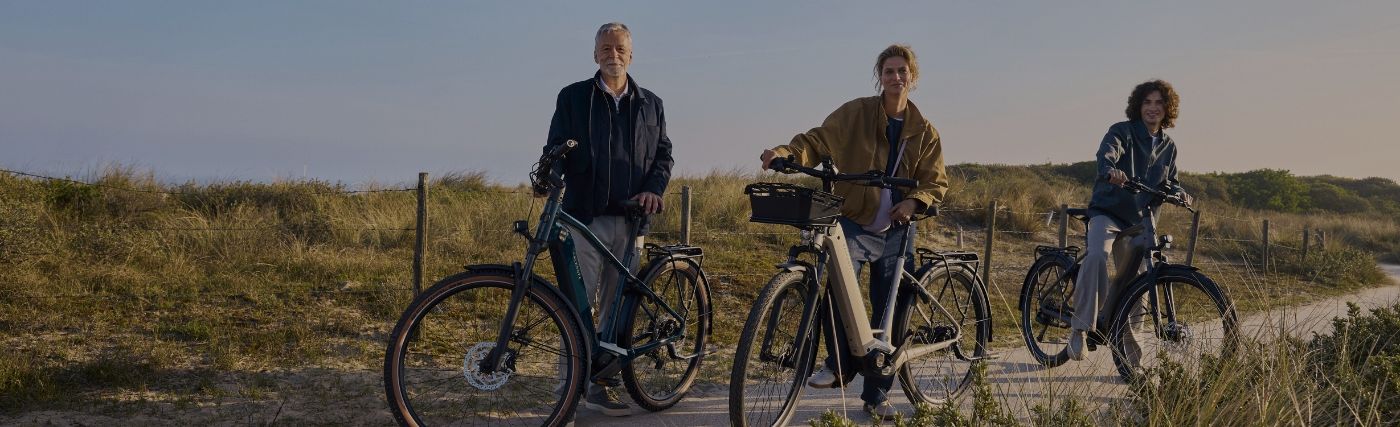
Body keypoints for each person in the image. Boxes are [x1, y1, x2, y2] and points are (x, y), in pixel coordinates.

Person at [759, 44, 948, 421]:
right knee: (837, 292)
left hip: (897, 229)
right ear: (879, 75)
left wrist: (913, 203)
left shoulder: (924, 131)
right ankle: (840, 365)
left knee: (888, 310)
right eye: (889, 71)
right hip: (855, 221)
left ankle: (876, 396)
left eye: (902, 71)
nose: (896, 77)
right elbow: (815, 141)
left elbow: (935, 180)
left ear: (913, 77)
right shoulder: (855, 113)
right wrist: (785, 152)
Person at [540, 21, 673, 417]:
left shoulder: (652, 103)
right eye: (605, 48)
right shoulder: (574, 97)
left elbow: (664, 156)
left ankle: (604, 382)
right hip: (584, 215)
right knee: (575, 304)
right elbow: (555, 148)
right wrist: (549, 179)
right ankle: (572, 386)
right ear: (594, 53)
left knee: (617, 304)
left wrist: (654, 189)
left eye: (619, 49)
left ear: (631, 55)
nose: (612, 54)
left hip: (632, 220)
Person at [1066, 79, 1192, 364]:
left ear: (1167, 109)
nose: (1152, 108)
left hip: (1140, 222)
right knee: (1097, 256)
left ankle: (1132, 360)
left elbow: (1170, 181)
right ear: (1138, 105)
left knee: (1139, 283)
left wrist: (1179, 192)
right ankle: (1080, 329)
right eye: (1147, 102)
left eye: (1159, 103)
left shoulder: (1169, 147)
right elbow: (1107, 153)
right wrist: (1111, 169)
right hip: (1108, 213)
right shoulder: (1121, 131)